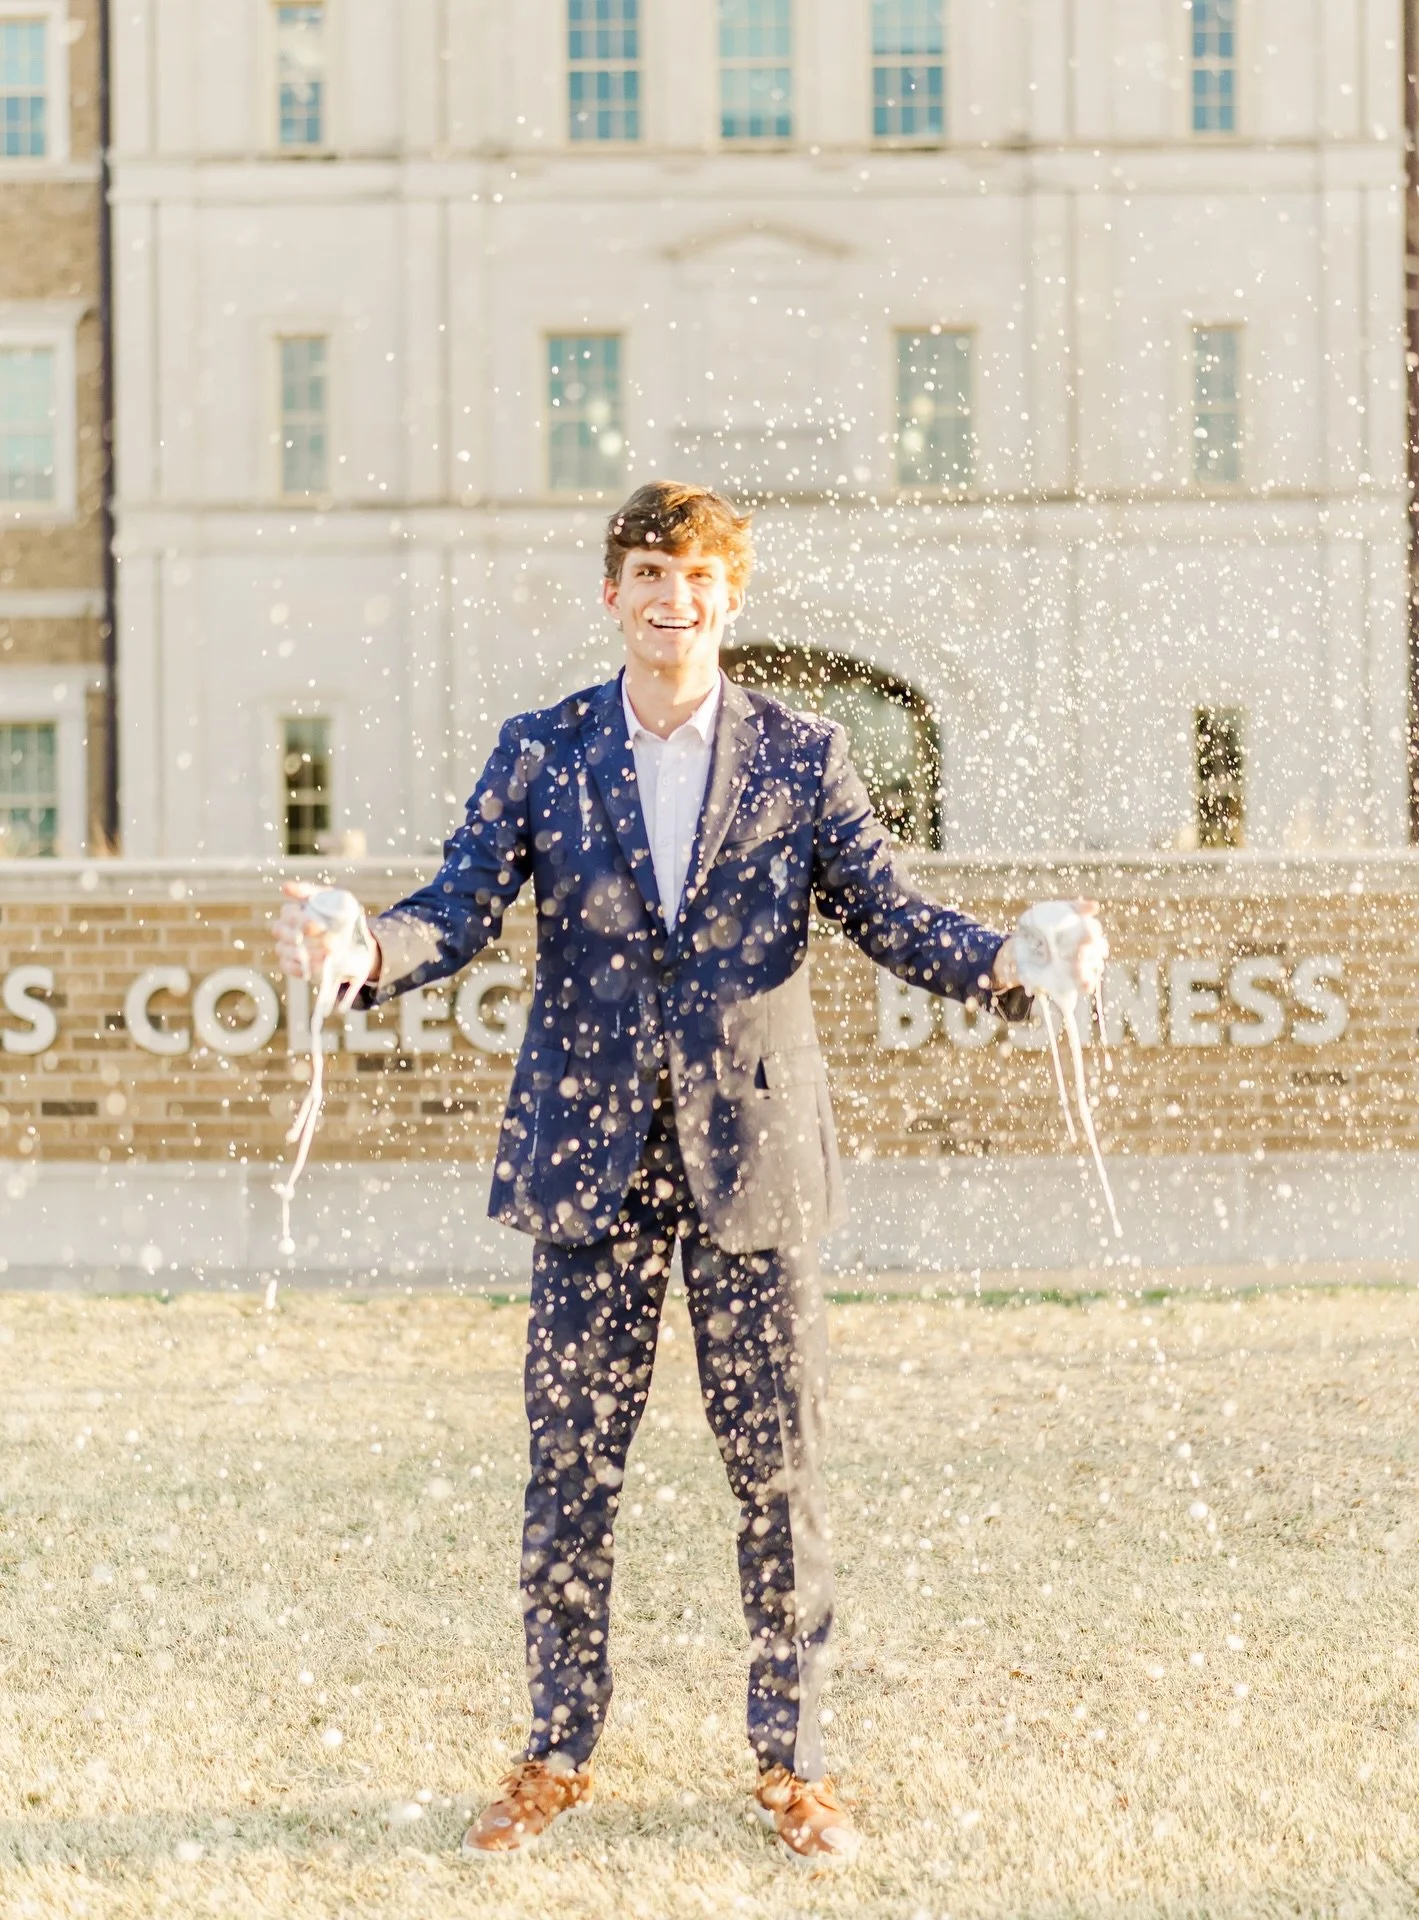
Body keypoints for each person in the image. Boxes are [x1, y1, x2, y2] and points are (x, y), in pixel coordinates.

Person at [274, 481, 1106, 1863]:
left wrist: (1013, 963)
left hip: (756, 1166)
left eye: (699, 577)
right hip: (584, 1165)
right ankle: (554, 1750)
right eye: (650, 572)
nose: (674, 598)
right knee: (569, 1476)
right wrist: (363, 949)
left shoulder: (804, 753)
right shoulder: (542, 749)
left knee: (779, 1476)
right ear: (612, 594)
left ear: (733, 598)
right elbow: (457, 906)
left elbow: (891, 916)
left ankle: (797, 1765)